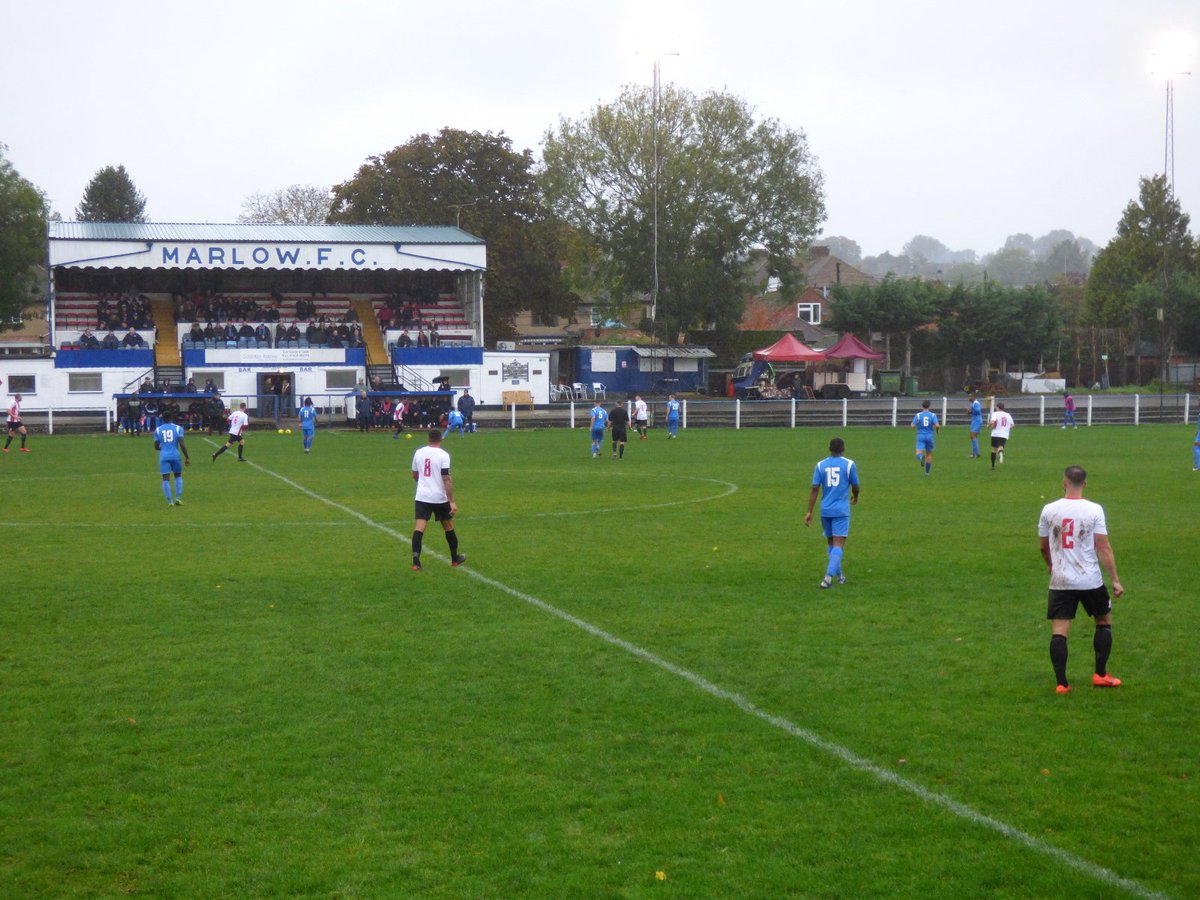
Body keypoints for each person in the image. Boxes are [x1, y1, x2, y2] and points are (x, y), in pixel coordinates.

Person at [1038, 465, 1125, 693]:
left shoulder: (1049, 509)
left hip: (1061, 580)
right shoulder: (1094, 510)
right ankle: (1100, 674)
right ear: (1084, 484)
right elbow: (1103, 546)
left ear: (1064, 482)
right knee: (1104, 621)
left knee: (1059, 631)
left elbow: (1043, 546)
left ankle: (1061, 684)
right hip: (1090, 580)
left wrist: (1050, 564)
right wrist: (1115, 580)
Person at [804, 436, 860, 589]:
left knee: (831, 543)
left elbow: (815, 489)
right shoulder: (849, 465)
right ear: (843, 449)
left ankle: (840, 576)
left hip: (825, 510)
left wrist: (809, 511)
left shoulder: (820, 465)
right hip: (841, 510)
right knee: (839, 545)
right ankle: (828, 578)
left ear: (829, 450)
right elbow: (855, 485)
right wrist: (855, 497)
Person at [410, 429, 465, 571]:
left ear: (428, 438)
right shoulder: (444, 455)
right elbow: (446, 478)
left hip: (422, 496)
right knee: (448, 526)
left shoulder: (419, 453)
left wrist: (423, 483)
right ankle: (454, 559)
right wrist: (451, 500)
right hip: (439, 497)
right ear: (441, 439)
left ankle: (416, 562)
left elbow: (414, 475)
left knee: (419, 528)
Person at [153, 410, 190, 506]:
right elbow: (182, 444)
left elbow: (156, 447)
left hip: (164, 456)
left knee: (165, 478)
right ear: (171, 418)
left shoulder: (158, 430)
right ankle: (178, 498)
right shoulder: (178, 429)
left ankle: (170, 501)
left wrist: (163, 446)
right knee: (178, 475)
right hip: (175, 456)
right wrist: (187, 457)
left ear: (163, 419)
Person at [910, 399, 940, 476]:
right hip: (929, 436)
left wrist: (918, 425)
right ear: (929, 406)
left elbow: (912, 426)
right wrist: (937, 431)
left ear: (922, 406)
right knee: (929, 455)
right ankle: (927, 473)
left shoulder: (918, 415)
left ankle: (921, 457)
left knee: (918, 453)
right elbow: (937, 425)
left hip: (921, 435)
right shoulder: (933, 415)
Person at [989, 402, 1015, 469]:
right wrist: (1006, 428)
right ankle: (1000, 453)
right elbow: (1013, 425)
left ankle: (993, 466)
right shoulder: (1008, 415)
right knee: (1000, 446)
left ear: (997, 407)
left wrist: (988, 425)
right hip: (1004, 434)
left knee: (993, 450)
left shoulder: (995, 413)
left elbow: (992, 422)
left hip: (995, 434)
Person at [967, 392, 983, 458]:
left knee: (973, 436)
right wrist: (969, 412)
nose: (968, 398)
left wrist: (971, 410)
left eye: (970, 397)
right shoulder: (974, 403)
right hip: (975, 420)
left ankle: (975, 454)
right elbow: (974, 412)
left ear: (974, 397)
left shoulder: (976, 403)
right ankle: (976, 452)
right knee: (973, 436)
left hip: (977, 421)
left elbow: (978, 411)